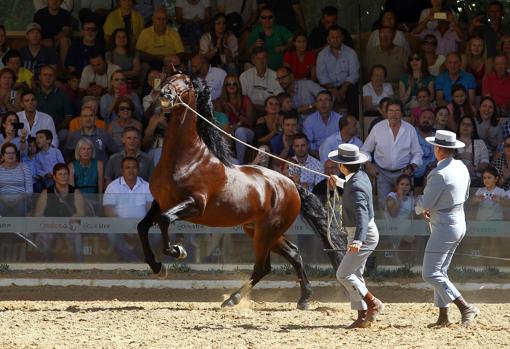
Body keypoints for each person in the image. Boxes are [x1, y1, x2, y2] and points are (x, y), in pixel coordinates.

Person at [415, 129, 480, 327]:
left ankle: (464, 307)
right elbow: (466, 194)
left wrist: (421, 208)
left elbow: (425, 202)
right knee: (440, 271)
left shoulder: (438, 174)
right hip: (458, 219)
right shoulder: (461, 166)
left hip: (444, 224)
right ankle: (443, 316)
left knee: (430, 273)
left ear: (439, 150)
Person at [327, 143, 383, 329]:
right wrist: (340, 181)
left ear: (343, 166)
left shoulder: (356, 185)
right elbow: (352, 185)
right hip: (363, 232)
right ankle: (362, 315)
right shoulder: (360, 176)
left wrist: (358, 240)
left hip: (362, 233)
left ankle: (373, 303)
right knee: (355, 275)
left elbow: (362, 215)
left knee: (343, 274)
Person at [362, 99, 423, 208]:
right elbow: (365, 150)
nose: (394, 114)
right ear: (386, 112)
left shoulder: (410, 129)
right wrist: (368, 164)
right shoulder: (378, 128)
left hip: (403, 173)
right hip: (382, 174)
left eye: (397, 111)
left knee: (404, 207)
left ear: (402, 113)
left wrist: (412, 167)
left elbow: (417, 153)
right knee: (384, 206)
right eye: (390, 110)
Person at [316, 25, 360, 117]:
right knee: (323, 94)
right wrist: (332, 89)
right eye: (332, 37)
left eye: (338, 37)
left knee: (353, 91)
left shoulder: (351, 52)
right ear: (328, 39)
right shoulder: (322, 55)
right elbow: (321, 75)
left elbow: (354, 74)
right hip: (329, 86)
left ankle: (354, 120)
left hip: (346, 86)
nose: (335, 40)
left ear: (342, 38)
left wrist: (344, 88)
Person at [215, 74, 255, 164]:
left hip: (246, 131)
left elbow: (250, 122)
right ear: (225, 86)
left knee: (239, 131)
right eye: (228, 84)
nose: (231, 86)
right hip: (229, 130)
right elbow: (218, 121)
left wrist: (235, 111)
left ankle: (239, 162)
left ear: (238, 86)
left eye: (234, 84)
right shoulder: (220, 101)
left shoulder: (245, 99)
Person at [34, 65, 73, 141]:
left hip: (57, 130)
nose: (48, 78)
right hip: (36, 131)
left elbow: (68, 116)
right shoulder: (33, 95)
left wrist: (55, 128)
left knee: (65, 134)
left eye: (50, 75)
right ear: (39, 77)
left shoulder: (63, 95)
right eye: (45, 75)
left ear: (55, 78)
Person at [247, 6, 292, 70]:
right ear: (260, 19)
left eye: (270, 17)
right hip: (261, 68)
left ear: (274, 18)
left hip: (280, 68)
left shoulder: (280, 29)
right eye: (264, 17)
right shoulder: (256, 30)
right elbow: (248, 51)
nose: (267, 20)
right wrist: (255, 45)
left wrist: (285, 47)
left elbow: (293, 41)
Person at [365, 26, 408, 93]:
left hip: (398, 88)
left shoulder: (401, 51)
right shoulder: (372, 53)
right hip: (378, 89)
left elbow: (408, 72)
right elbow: (368, 76)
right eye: (382, 33)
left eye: (388, 34)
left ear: (393, 36)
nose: (385, 37)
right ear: (379, 36)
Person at [33, 0, 73, 69]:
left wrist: (52, 39)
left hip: (57, 41)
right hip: (43, 42)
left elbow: (66, 31)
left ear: (61, 2)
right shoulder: (39, 14)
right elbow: (35, 31)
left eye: (57, 0)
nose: (54, 1)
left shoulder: (66, 14)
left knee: (64, 40)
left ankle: (63, 70)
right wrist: (42, 41)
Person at [303, 90, 342, 158]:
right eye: (320, 100)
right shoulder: (309, 121)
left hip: (338, 156)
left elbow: (345, 140)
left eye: (326, 100)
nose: (323, 103)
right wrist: (321, 156)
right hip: (316, 156)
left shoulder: (340, 119)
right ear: (316, 104)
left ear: (332, 103)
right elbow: (307, 143)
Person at [455, 116, 490, 187]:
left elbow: (486, 163)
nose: (465, 126)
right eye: (463, 124)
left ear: (473, 128)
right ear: (459, 126)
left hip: (475, 181)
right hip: (455, 180)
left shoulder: (480, 143)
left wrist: (475, 168)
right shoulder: (452, 142)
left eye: (469, 125)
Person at [0, 143, 32, 216]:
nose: (10, 155)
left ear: (16, 155)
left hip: (21, 199)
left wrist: (19, 198)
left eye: (13, 153)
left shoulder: (24, 168)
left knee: (21, 209)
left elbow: (29, 189)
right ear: (3, 156)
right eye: (8, 153)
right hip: (2, 200)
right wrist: (3, 199)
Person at [414, 108, 437, 186]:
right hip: (411, 173)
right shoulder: (411, 133)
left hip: (430, 175)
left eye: (430, 118)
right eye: (424, 117)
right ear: (419, 119)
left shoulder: (438, 137)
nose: (426, 120)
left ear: (434, 121)